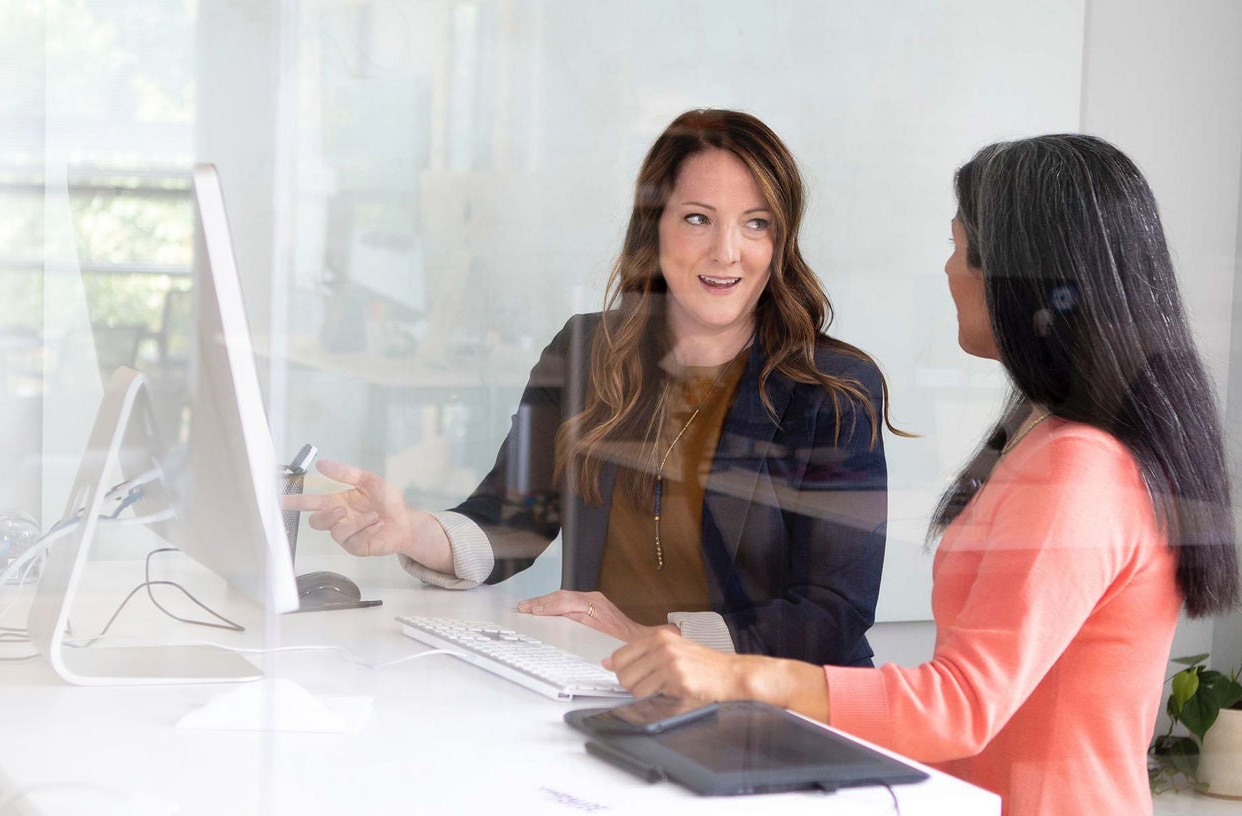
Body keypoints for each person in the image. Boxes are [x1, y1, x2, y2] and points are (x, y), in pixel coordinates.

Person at [601, 134, 1242, 816]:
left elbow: (961, 704)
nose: (947, 268)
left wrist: (737, 675)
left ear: (1022, 275)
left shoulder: (1080, 465)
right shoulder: (1044, 432)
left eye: (960, 246)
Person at [283, 109, 903, 666]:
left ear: (781, 239)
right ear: (653, 229)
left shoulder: (832, 390)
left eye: (755, 224)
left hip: (770, 713)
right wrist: (411, 528)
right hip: (606, 678)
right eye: (697, 219)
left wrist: (656, 639)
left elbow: (832, 612)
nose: (727, 251)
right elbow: (513, 518)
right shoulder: (585, 353)